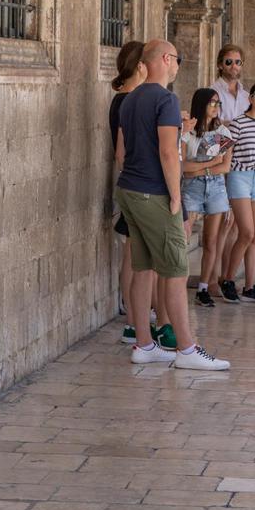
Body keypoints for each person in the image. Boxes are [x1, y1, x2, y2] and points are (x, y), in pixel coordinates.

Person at [115, 40, 229, 371]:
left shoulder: (129, 99)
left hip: (130, 190)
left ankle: (144, 344)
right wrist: (176, 197)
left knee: (143, 268)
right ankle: (187, 349)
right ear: (165, 60)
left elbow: (124, 153)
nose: (178, 64)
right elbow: (168, 152)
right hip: (154, 194)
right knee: (177, 271)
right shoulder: (166, 99)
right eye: (177, 59)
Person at [220, 81, 255, 304]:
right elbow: (223, 150)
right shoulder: (237, 124)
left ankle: (250, 287)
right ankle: (228, 280)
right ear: (250, 98)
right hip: (238, 177)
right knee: (247, 233)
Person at [109, 41, 147, 344]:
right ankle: (131, 312)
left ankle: (134, 309)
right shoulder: (127, 101)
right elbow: (123, 152)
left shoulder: (128, 99)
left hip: (132, 181)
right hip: (135, 182)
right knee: (133, 253)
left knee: (134, 251)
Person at [182, 88, 233, 308]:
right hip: (191, 188)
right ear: (200, 103)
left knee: (211, 241)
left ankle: (203, 288)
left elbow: (225, 166)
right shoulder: (188, 132)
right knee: (183, 240)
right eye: (211, 102)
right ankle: (179, 285)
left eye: (218, 103)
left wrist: (202, 168)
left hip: (216, 188)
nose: (215, 107)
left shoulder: (223, 132)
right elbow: (184, 167)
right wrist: (211, 163)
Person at [211, 44, 251, 291]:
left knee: (234, 223)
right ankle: (212, 277)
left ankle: (226, 276)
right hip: (221, 160)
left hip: (242, 161)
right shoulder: (213, 91)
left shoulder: (247, 97)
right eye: (228, 62)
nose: (233, 66)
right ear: (220, 64)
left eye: (237, 62)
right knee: (219, 223)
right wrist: (232, 129)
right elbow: (212, 126)